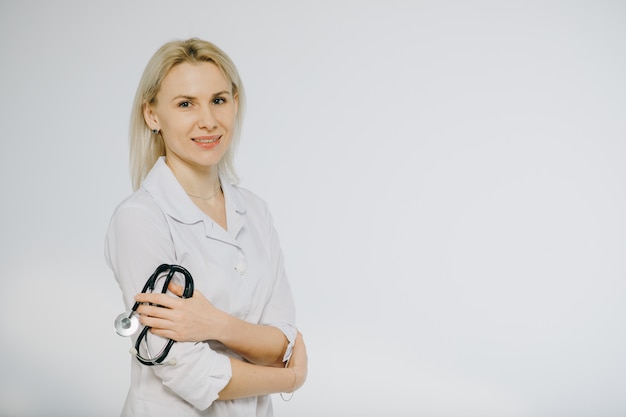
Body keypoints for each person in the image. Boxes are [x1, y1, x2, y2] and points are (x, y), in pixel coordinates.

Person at [105, 38, 307, 417]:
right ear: (152, 115)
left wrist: (215, 324)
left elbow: (282, 340)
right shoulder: (140, 219)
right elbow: (186, 369)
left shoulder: (256, 213)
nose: (209, 121)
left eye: (218, 100)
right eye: (186, 104)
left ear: (234, 102)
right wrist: (289, 379)